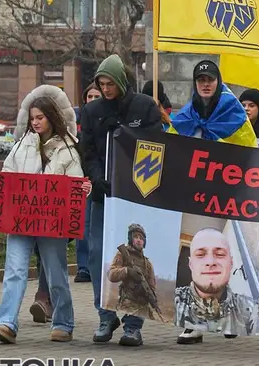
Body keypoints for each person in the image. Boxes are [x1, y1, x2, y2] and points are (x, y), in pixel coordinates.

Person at [80, 54, 165, 347]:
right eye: (101, 84)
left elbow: (156, 146)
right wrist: (95, 177)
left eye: (110, 83)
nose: (105, 89)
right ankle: (105, 315)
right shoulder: (91, 111)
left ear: (121, 81)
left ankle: (133, 324)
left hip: (134, 195)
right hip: (104, 195)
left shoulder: (144, 106)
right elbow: (87, 150)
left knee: (134, 260)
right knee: (96, 255)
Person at [0, 92, 83, 344]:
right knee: (15, 271)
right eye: (32, 118)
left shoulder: (69, 150)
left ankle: (63, 322)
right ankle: (6, 322)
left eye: (40, 117)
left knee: (55, 273)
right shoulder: (22, 145)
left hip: (53, 223)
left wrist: (82, 190)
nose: (35, 122)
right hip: (20, 220)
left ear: (51, 117)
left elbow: (75, 183)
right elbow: (8, 172)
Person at [175, 228, 255, 342]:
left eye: (220, 254)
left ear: (231, 263)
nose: (210, 262)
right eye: (200, 254)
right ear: (191, 264)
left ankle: (230, 328)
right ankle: (191, 328)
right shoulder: (173, 300)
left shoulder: (249, 308)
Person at [170, 60, 256, 147]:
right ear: (195, 83)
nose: (206, 84)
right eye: (201, 80)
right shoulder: (186, 115)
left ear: (218, 82)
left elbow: (248, 152)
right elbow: (170, 148)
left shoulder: (233, 111)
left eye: (210, 79)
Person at [75, 83, 104, 284]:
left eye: (97, 96)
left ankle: (96, 265)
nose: (92, 100)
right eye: (90, 96)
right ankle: (83, 267)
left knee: (96, 227)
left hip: (99, 179)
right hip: (82, 180)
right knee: (82, 225)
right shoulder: (75, 123)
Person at [107, 224, 163, 325]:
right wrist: (127, 271)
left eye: (141, 238)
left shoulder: (147, 264)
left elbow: (151, 286)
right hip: (128, 303)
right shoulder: (123, 254)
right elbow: (111, 275)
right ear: (130, 239)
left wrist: (151, 297)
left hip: (142, 305)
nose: (138, 240)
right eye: (135, 237)